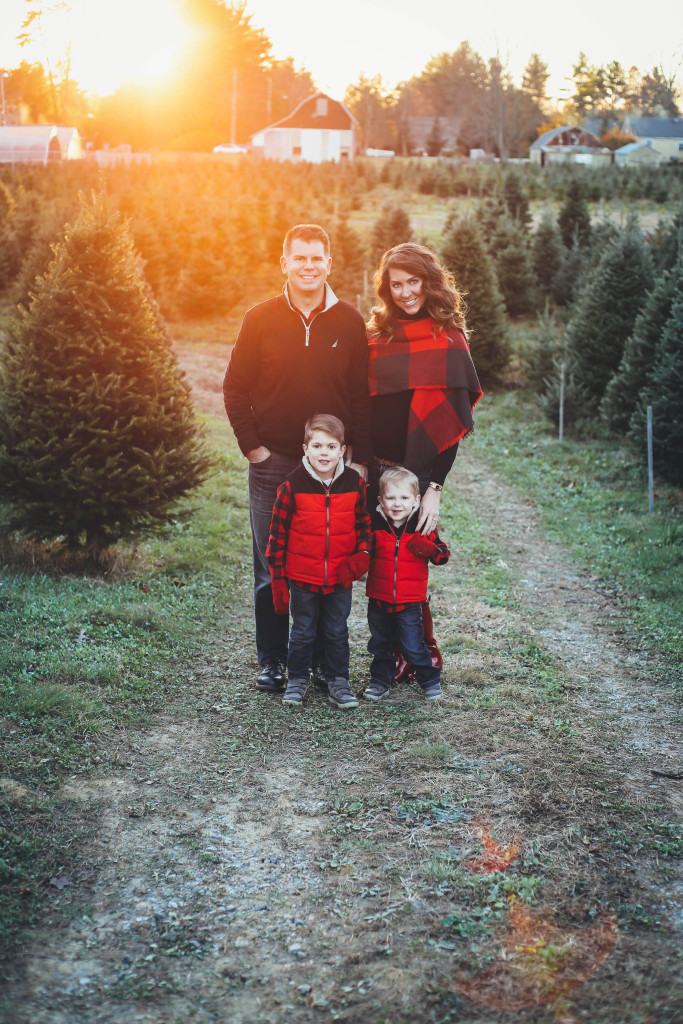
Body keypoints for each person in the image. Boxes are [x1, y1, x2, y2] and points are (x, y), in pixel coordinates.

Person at [223, 224, 371, 694]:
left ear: (330, 263)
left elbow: (362, 395)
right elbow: (235, 387)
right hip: (275, 460)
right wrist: (253, 447)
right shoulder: (260, 318)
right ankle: (273, 661)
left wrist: (359, 457)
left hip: (332, 468)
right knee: (272, 564)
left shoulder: (349, 320)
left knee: (329, 560)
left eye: (317, 258)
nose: (309, 266)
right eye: (300, 258)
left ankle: (327, 665)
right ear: (284, 263)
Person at [366, 242, 482, 529]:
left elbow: (450, 421)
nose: (405, 293)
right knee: (363, 558)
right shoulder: (375, 337)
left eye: (413, 282)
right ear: (387, 290)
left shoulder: (449, 340)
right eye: (396, 285)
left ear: (428, 281)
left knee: (405, 567)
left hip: (415, 477)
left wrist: (434, 488)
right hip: (369, 470)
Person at [266, 414, 372, 709]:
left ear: (342, 450)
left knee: (337, 630)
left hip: (340, 576)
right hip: (302, 577)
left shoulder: (354, 484)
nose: (323, 452)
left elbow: (364, 524)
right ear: (305, 449)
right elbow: (277, 535)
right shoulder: (292, 486)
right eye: (317, 446)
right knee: (302, 630)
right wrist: (277, 578)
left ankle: (338, 681)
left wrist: (362, 555)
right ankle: (298, 679)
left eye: (330, 446)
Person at [364, 467, 450, 701]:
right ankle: (380, 679)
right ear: (381, 500)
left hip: (410, 602)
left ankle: (429, 678)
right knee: (381, 643)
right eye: (391, 498)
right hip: (379, 599)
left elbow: (443, 555)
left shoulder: (423, 526)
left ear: (416, 500)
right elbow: (362, 549)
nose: (397, 504)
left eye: (404, 498)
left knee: (412, 645)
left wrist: (430, 549)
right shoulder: (376, 524)